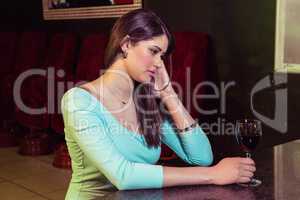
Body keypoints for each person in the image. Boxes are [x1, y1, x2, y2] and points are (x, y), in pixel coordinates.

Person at [61, 8, 256, 200]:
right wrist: (214, 175)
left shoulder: (146, 103)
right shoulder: (79, 101)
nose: (159, 64)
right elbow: (123, 176)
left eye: (162, 56)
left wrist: (168, 94)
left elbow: (201, 157)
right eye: (153, 51)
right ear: (126, 44)